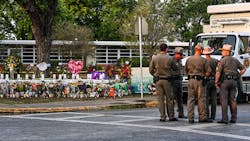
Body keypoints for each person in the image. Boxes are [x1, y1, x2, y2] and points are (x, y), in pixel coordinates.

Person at [215, 44, 246, 124]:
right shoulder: (235, 60)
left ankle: (224, 119)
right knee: (233, 100)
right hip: (234, 81)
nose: (222, 52)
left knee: (224, 100)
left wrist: (216, 82)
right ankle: (233, 118)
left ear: (226, 52)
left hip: (225, 82)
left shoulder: (222, 60)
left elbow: (218, 72)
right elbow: (243, 69)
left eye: (222, 51)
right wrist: (238, 75)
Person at [149, 43, 178, 122]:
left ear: (159, 49)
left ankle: (162, 116)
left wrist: (155, 74)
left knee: (160, 99)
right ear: (166, 49)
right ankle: (171, 116)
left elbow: (151, 70)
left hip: (158, 80)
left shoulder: (154, 58)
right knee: (169, 99)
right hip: (167, 80)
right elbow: (175, 68)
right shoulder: (170, 58)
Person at [184, 44, 213, 123]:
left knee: (190, 99)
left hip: (191, 80)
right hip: (200, 81)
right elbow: (208, 72)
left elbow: (185, 71)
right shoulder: (204, 60)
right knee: (201, 99)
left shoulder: (188, 59)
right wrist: (204, 76)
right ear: (200, 50)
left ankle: (190, 117)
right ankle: (202, 117)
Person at [203, 46, 218, 120]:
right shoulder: (215, 61)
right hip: (214, 80)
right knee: (214, 99)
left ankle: (207, 115)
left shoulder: (203, 61)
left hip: (206, 81)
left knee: (205, 99)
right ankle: (213, 116)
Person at [172, 47, 187, 118]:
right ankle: (171, 114)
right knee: (172, 98)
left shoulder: (180, 61)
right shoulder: (171, 60)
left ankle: (181, 113)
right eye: (180, 55)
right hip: (173, 81)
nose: (181, 56)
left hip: (179, 80)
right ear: (176, 54)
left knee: (180, 98)